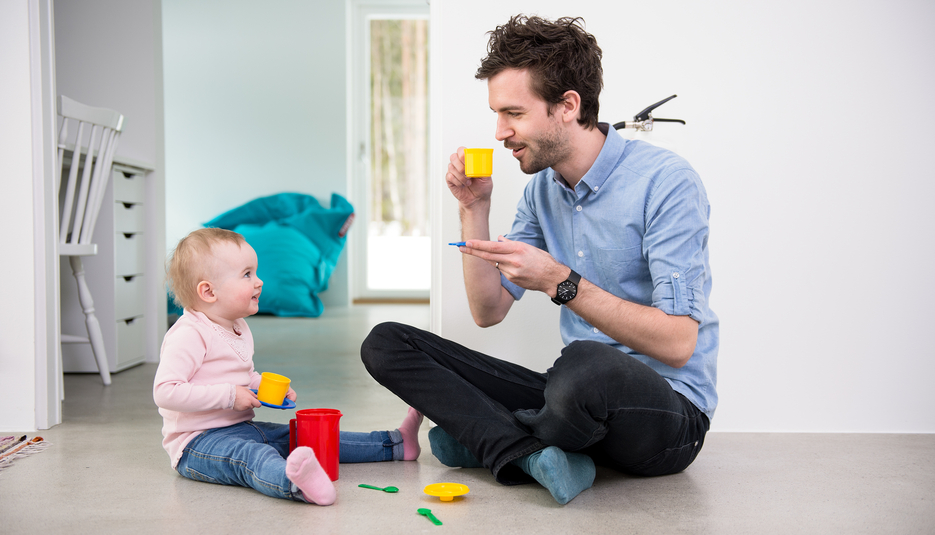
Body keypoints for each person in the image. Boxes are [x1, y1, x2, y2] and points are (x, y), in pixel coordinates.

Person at [361, 14, 718, 505]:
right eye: (497, 114)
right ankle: (527, 451)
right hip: (572, 400)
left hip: (668, 417)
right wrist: (474, 208)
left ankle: (489, 437)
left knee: (588, 365)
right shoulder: (540, 192)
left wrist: (560, 281)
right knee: (387, 343)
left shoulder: (666, 183)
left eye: (514, 113)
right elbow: (487, 312)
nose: (500, 131)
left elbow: (679, 343)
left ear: (567, 105)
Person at [154, 228, 423, 505]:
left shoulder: (238, 326)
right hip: (197, 444)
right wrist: (231, 396)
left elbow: (243, 376)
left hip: (242, 427)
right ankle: (296, 484)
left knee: (307, 436)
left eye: (255, 273)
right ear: (208, 291)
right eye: (247, 275)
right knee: (253, 456)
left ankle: (396, 444)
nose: (259, 282)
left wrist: (264, 387)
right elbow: (166, 392)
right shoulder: (189, 333)